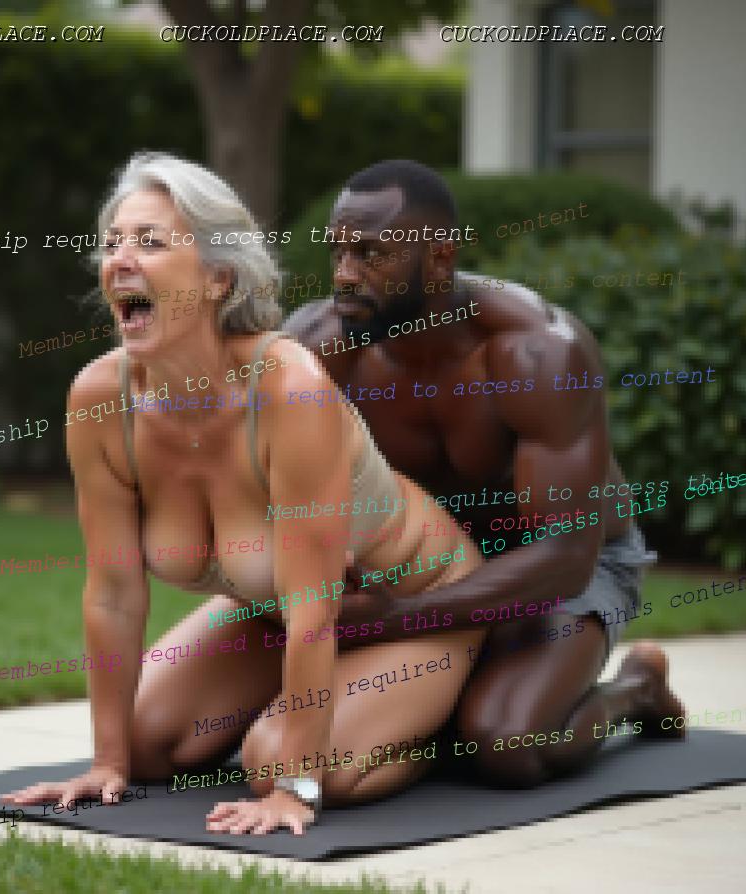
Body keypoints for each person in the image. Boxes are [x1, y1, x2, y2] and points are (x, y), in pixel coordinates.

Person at [1, 153, 485, 836]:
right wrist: (107, 761)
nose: (120, 260)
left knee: (279, 763)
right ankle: (322, 711)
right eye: (112, 244)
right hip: (275, 615)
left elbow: (314, 608)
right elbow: (112, 593)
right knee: (143, 745)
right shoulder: (99, 400)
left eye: (150, 242)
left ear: (218, 278)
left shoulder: (289, 388)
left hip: (416, 605)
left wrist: (295, 786)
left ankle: (434, 733)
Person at [284, 159, 685, 787]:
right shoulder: (319, 349)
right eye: (338, 252)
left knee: (507, 743)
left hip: (561, 566)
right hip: (424, 564)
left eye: (370, 254)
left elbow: (565, 555)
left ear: (440, 260)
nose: (344, 275)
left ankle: (635, 690)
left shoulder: (538, 352)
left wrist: (395, 619)